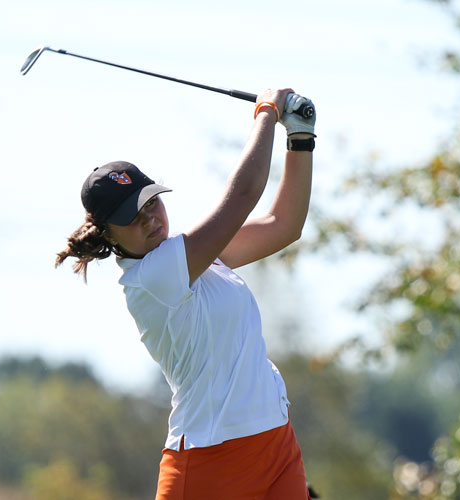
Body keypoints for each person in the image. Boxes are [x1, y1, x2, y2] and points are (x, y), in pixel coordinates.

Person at [54, 88, 316, 500]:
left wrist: (300, 139)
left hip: (275, 440)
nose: (150, 219)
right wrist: (266, 111)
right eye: (131, 217)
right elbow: (244, 196)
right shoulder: (151, 278)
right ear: (108, 234)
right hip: (210, 462)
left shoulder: (195, 256)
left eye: (150, 202)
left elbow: (284, 225)